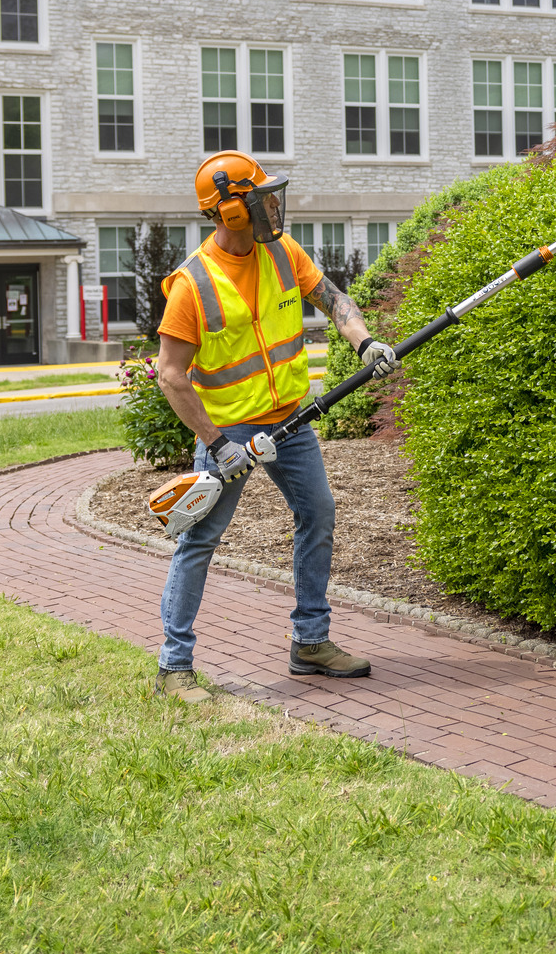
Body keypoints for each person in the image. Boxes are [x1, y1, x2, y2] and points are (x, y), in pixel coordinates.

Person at [149, 150, 397, 701]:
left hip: (291, 419)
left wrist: (366, 342)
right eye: (263, 197)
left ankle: (310, 641)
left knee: (318, 514)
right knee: (200, 539)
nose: (274, 204)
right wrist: (216, 445)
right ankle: (174, 668)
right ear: (233, 212)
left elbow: (332, 298)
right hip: (229, 435)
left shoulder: (281, 250)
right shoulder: (192, 284)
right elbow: (171, 376)